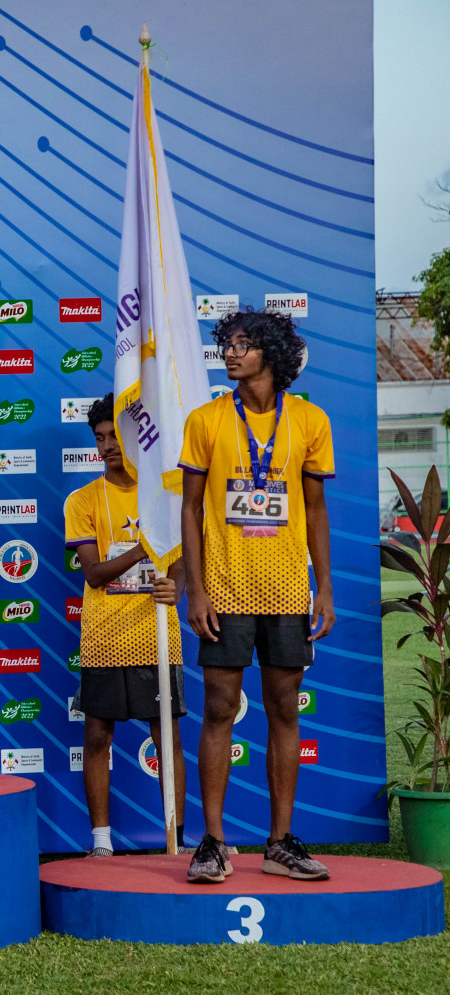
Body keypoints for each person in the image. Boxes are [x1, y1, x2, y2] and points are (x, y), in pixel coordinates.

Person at [179, 309, 335, 883]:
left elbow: (315, 510)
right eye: (228, 344)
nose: (231, 353)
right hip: (223, 587)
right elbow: (190, 509)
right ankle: (214, 842)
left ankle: (280, 842)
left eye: (244, 345)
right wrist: (196, 590)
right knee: (219, 708)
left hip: (289, 587)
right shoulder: (207, 419)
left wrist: (325, 588)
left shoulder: (311, 421)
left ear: (271, 353)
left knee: (283, 709)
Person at [64, 395, 186, 857]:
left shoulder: (165, 495)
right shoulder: (83, 500)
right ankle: (100, 842)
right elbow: (94, 573)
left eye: (116, 435)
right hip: (104, 638)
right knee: (97, 736)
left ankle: (176, 837)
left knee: (166, 735)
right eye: (100, 438)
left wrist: (176, 585)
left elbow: (182, 561)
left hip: (158, 636)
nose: (108, 445)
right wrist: (140, 548)